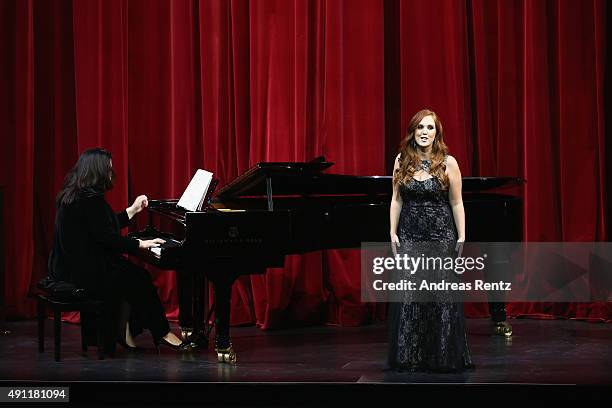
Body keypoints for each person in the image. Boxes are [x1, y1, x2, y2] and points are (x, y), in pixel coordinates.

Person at [48, 148, 190, 353]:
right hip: (84, 273)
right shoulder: (90, 200)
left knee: (131, 276)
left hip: (68, 268)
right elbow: (106, 238)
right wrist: (139, 244)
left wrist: (131, 211)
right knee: (139, 278)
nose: (111, 173)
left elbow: (101, 226)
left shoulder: (75, 195)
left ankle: (125, 330)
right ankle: (162, 332)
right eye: (109, 169)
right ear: (98, 171)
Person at [387, 109, 474, 372]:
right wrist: (392, 232)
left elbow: (457, 202)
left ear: (437, 133)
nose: (425, 132)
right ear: (413, 132)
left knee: (440, 297)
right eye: (420, 128)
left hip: (441, 235)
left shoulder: (449, 163)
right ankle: (412, 356)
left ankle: (443, 355)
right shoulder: (402, 160)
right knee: (411, 296)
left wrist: (462, 235)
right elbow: (396, 199)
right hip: (410, 235)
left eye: (430, 128)